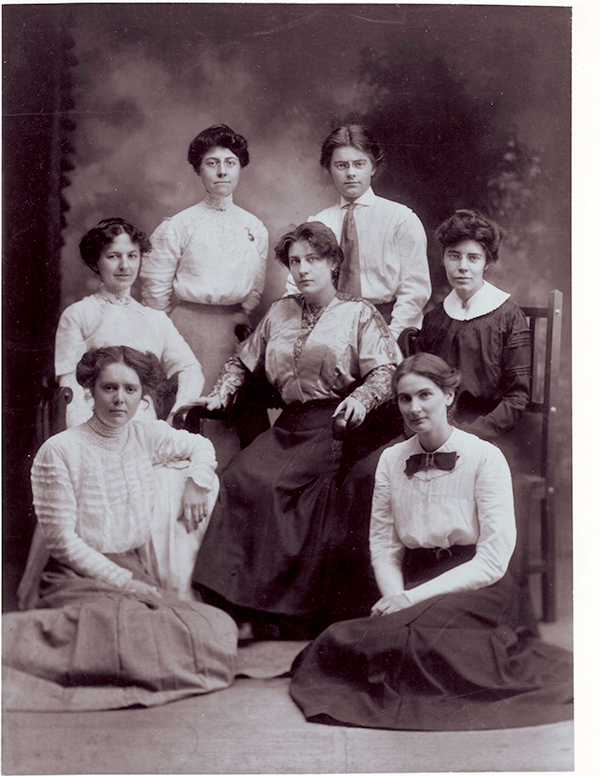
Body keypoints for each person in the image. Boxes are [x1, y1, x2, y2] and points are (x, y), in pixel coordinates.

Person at [289, 354, 573, 731]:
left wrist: (409, 601)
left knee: (420, 643)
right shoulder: (391, 459)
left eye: (425, 395)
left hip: (478, 584)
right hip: (416, 577)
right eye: (405, 399)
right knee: (345, 639)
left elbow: (492, 560)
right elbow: (385, 544)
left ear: (449, 396)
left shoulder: (485, 457)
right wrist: (395, 597)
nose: (414, 408)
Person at [192, 222, 401, 638]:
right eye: (296, 262)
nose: (304, 269)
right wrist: (222, 392)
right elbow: (241, 360)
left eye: (314, 260)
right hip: (288, 426)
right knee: (237, 478)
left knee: (279, 487)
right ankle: (232, 603)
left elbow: (386, 372)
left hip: (333, 426)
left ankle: (281, 611)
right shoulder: (279, 311)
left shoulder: (359, 314)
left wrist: (360, 400)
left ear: (333, 263)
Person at [4, 347, 237, 711]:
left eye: (130, 390)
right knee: (132, 633)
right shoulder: (60, 450)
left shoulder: (145, 435)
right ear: (90, 392)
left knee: (217, 629)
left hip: (133, 569)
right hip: (74, 577)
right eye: (109, 388)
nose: (119, 400)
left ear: (142, 396)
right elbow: (63, 543)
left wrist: (196, 481)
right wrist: (127, 583)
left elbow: (201, 447)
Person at [140, 124, 269, 393]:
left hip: (238, 331)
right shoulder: (179, 226)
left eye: (230, 163)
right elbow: (155, 295)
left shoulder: (254, 227)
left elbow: (255, 288)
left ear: (240, 168)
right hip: (189, 334)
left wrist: (238, 318)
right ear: (199, 170)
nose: (222, 171)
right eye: (212, 163)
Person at [55, 217, 204, 428]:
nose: (125, 266)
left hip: (145, 429)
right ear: (95, 261)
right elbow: (69, 388)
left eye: (132, 256)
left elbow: (190, 369)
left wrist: (177, 414)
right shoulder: (79, 314)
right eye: (113, 256)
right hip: (94, 426)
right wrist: (84, 439)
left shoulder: (155, 319)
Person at [285, 125, 430, 338]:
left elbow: (414, 291)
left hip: (385, 325)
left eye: (359, 164)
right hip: (326, 329)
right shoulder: (318, 221)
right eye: (341, 165)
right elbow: (296, 287)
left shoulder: (400, 219)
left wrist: (391, 338)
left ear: (372, 167)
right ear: (330, 169)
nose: (351, 173)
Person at [418, 208, 531, 440]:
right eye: (454, 255)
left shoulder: (509, 317)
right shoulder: (434, 319)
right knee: (367, 471)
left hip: (489, 435)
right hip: (435, 433)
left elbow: (517, 397)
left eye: (473, 258)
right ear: (443, 259)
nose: (462, 267)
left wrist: (470, 435)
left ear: (486, 263)